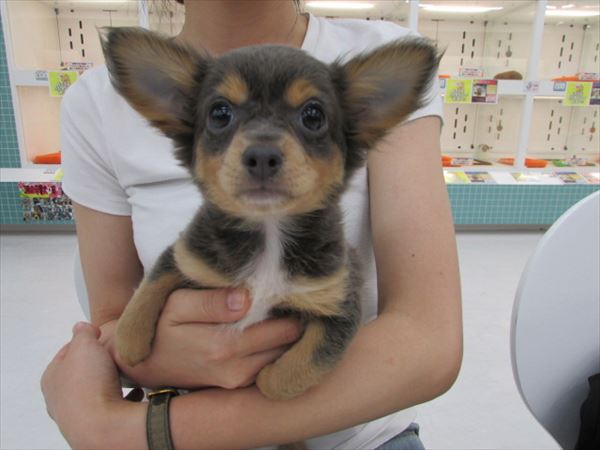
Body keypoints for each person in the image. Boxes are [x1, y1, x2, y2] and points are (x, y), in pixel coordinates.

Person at [41, 1, 463, 448]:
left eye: (311, 117)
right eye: (221, 115)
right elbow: (115, 330)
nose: (263, 150)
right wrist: (151, 356)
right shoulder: (95, 102)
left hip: (362, 438)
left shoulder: (379, 49)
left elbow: (428, 346)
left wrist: (130, 433)